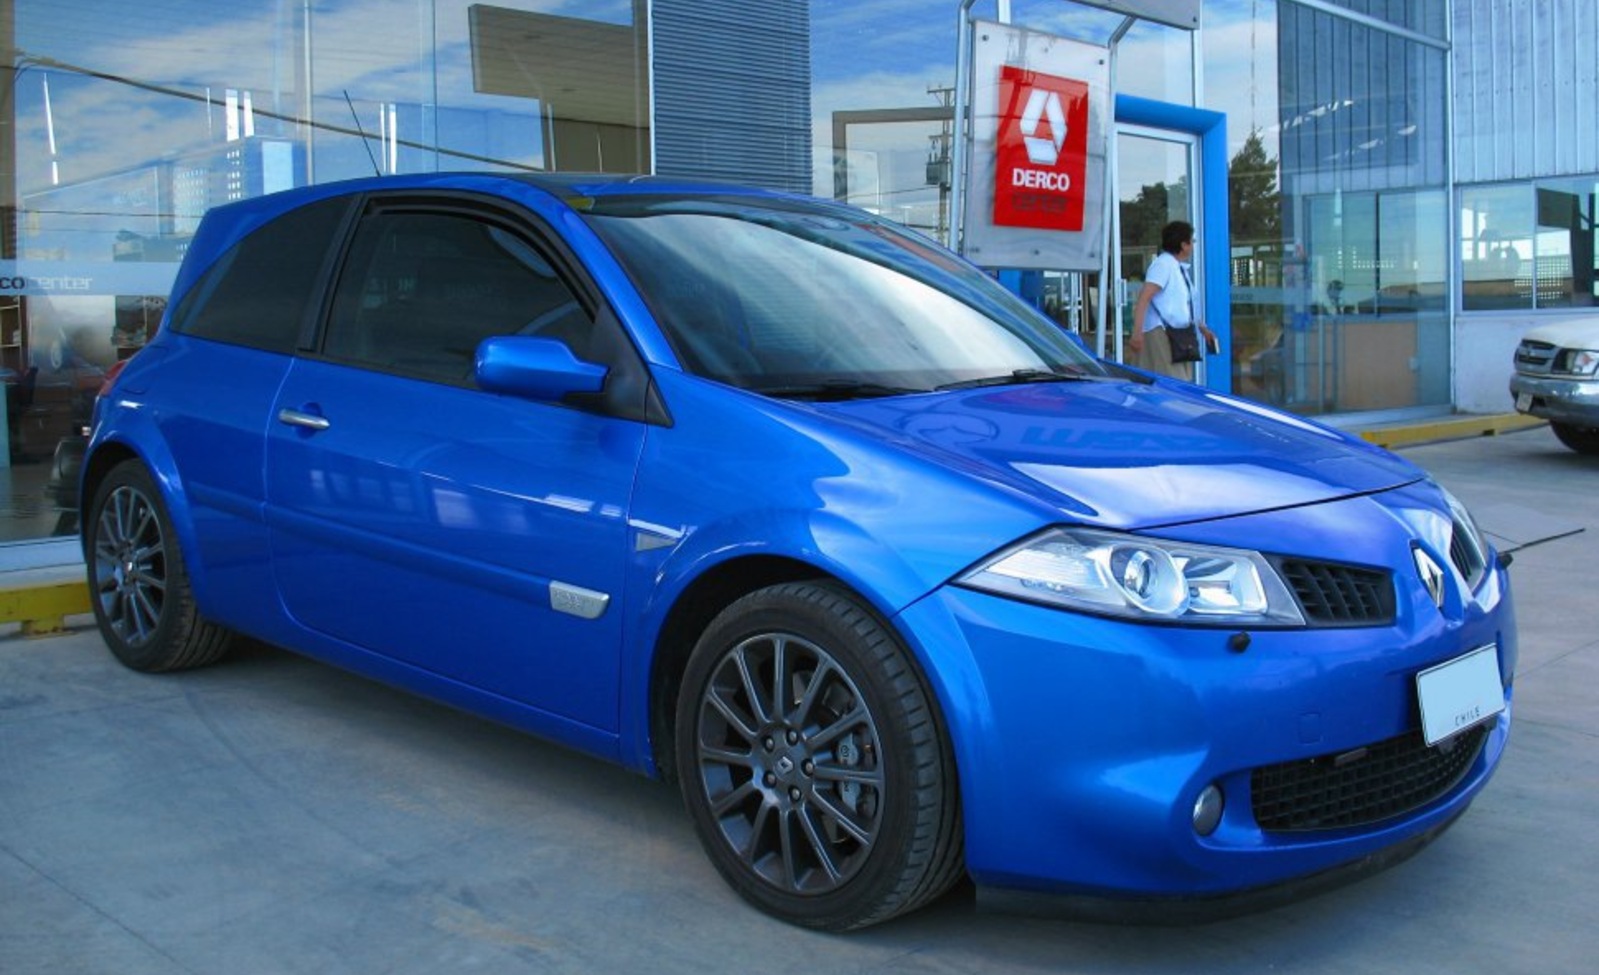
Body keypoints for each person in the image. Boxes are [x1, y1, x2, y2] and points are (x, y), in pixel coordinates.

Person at [1128, 220, 1216, 381]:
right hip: (1161, 332)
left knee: (1180, 380)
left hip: (1178, 334)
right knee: (1171, 381)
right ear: (1183, 244)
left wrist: (1202, 328)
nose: (1193, 245)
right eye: (1192, 241)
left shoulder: (1178, 267)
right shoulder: (1163, 265)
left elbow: (1184, 304)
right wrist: (1137, 333)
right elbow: (1144, 297)